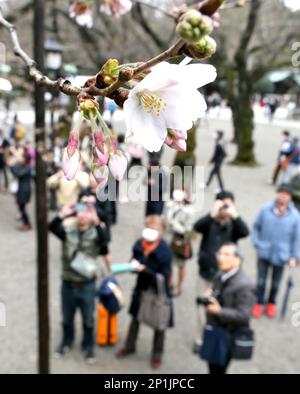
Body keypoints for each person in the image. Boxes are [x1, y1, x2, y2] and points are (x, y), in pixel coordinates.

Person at [49, 201, 111, 363]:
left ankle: (88, 346)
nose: (82, 216)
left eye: (87, 212)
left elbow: (105, 242)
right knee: (67, 317)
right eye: (80, 212)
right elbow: (52, 227)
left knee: (88, 318)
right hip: (68, 283)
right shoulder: (68, 232)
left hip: (87, 285)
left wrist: (97, 223)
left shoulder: (97, 235)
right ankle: (66, 342)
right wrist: (61, 215)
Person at [193, 191, 249, 351]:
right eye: (222, 203)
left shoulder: (234, 225)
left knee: (221, 310)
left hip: (226, 279)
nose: (225, 207)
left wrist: (235, 215)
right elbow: (196, 227)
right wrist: (212, 214)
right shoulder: (209, 222)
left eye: (228, 204)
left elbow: (245, 232)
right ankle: (199, 340)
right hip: (205, 273)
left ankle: (214, 339)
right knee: (201, 308)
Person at [117, 215, 173, 369]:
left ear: (161, 232)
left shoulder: (165, 252)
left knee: (159, 324)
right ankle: (129, 346)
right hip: (141, 288)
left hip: (158, 292)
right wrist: (132, 266)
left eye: (154, 229)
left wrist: (145, 270)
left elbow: (164, 276)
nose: (150, 231)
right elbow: (133, 261)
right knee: (135, 318)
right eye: (148, 227)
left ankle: (157, 354)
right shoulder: (139, 245)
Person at [201, 243, 256, 375]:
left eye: (226, 255)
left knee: (219, 369)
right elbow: (217, 292)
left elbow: (244, 315)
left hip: (228, 335)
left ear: (238, 260)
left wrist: (219, 311)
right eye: (219, 254)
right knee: (211, 366)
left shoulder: (245, 285)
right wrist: (210, 294)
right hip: (215, 328)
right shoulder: (220, 274)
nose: (221, 258)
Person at [252, 184, 300, 319]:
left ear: (290, 197)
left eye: (286, 194)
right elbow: (256, 227)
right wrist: (257, 243)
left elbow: (297, 238)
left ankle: (271, 303)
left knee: (276, 283)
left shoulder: (295, 216)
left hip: (282, 255)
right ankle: (259, 302)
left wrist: (294, 256)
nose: (283, 196)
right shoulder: (265, 210)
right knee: (260, 280)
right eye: (281, 193)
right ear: (277, 193)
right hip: (264, 253)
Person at [166, 189, 195, 296]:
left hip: (180, 240)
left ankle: (179, 286)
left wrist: (175, 225)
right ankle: (169, 283)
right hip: (169, 237)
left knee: (180, 265)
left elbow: (188, 230)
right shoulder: (171, 205)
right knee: (168, 262)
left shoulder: (189, 211)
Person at [9, 149, 32, 231]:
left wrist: (12, 167)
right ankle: (26, 223)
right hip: (22, 189)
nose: (20, 159)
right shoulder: (23, 166)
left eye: (22, 158)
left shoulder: (27, 168)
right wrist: (12, 166)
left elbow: (18, 174)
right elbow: (15, 170)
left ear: (25, 159)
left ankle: (27, 223)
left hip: (24, 190)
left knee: (22, 208)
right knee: (21, 208)